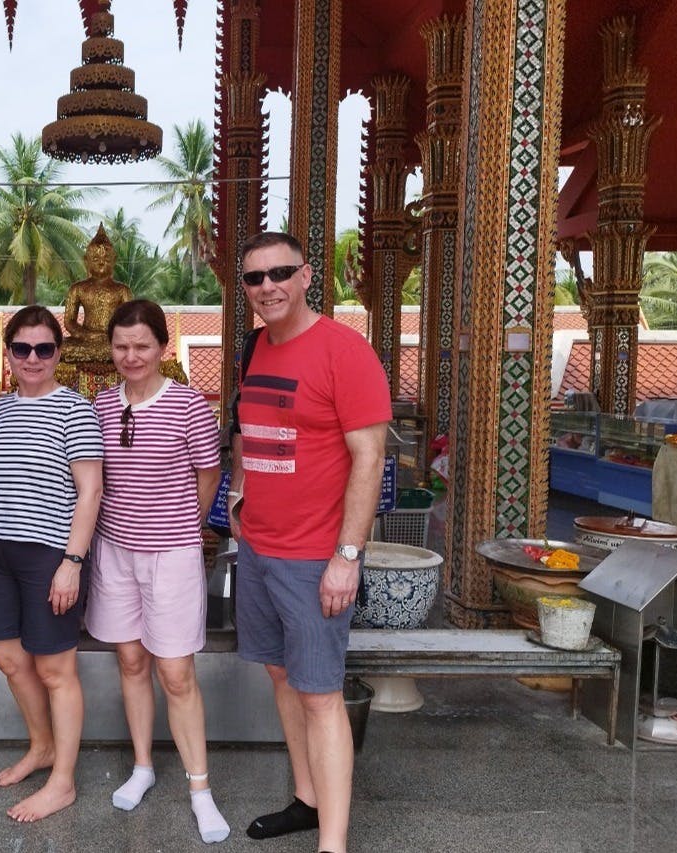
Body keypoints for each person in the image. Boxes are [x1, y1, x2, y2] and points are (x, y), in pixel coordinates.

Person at [228, 232, 390, 853]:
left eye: (280, 273)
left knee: (321, 695)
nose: (267, 286)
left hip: (314, 556)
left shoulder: (344, 352)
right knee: (282, 676)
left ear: (306, 275)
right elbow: (254, 430)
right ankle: (307, 798)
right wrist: (240, 494)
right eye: (254, 278)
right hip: (259, 549)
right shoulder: (256, 348)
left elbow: (369, 457)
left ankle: (334, 842)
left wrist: (347, 557)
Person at [85, 299, 229, 844]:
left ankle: (200, 788)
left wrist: (185, 526)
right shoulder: (100, 404)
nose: (131, 356)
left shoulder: (189, 405)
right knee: (130, 660)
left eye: (142, 345)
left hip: (170, 555)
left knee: (175, 672)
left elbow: (208, 474)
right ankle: (143, 765)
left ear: (163, 347)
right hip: (114, 551)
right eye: (121, 346)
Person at [0, 305, 103, 822]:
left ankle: (63, 781)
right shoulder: (1, 410)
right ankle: (41, 746)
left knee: (54, 668)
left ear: (58, 353)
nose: (32, 358)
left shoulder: (75, 409)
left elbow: (90, 491)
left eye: (44, 348)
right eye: (22, 348)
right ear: (8, 353)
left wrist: (73, 562)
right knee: (8, 657)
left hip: (49, 553)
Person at [61, 225, 133, 363]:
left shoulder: (122, 290)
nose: (101, 263)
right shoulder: (78, 289)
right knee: (62, 347)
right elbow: (69, 322)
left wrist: (113, 335)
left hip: (112, 341)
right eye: (95, 259)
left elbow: (130, 321)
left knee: (126, 348)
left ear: (114, 261)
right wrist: (87, 335)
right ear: (86, 260)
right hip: (85, 340)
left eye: (106, 260)